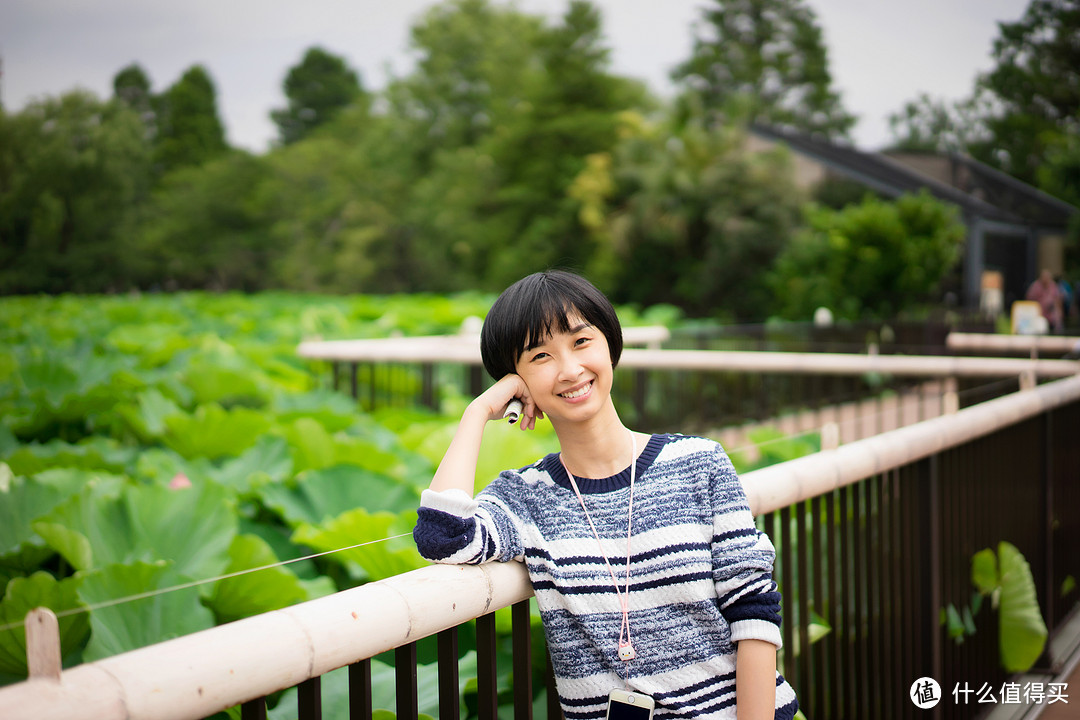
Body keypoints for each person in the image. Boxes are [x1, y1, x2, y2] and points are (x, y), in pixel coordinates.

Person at [413, 270, 798, 719]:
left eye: (581, 342)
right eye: (540, 356)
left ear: (609, 344)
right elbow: (442, 537)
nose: (570, 370)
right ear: (516, 384)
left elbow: (753, 609)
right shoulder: (525, 497)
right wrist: (477, 412)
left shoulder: (700, 463)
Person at [1026, 269, 1064, 333]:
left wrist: (1059, 313)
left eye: (1047, 277)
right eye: (1044, 277)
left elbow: (1058, 301)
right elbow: (1029, 301)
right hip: (1039, 315)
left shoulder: (1053, 285)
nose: (1046, 279)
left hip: (1051, 316)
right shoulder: (1035, 286)